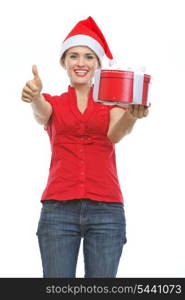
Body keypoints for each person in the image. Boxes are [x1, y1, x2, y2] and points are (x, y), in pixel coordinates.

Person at [21, 16, 150, 278]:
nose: (81, 63)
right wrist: (34, 96)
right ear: (64, 62)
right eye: (74, 56)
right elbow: (41, 113)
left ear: (98, 63)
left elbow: (115, 134)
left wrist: (131, 115)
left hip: (107, 210)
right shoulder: (53, 103)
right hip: (58, 210)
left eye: (89, 57)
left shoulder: (111, 104)